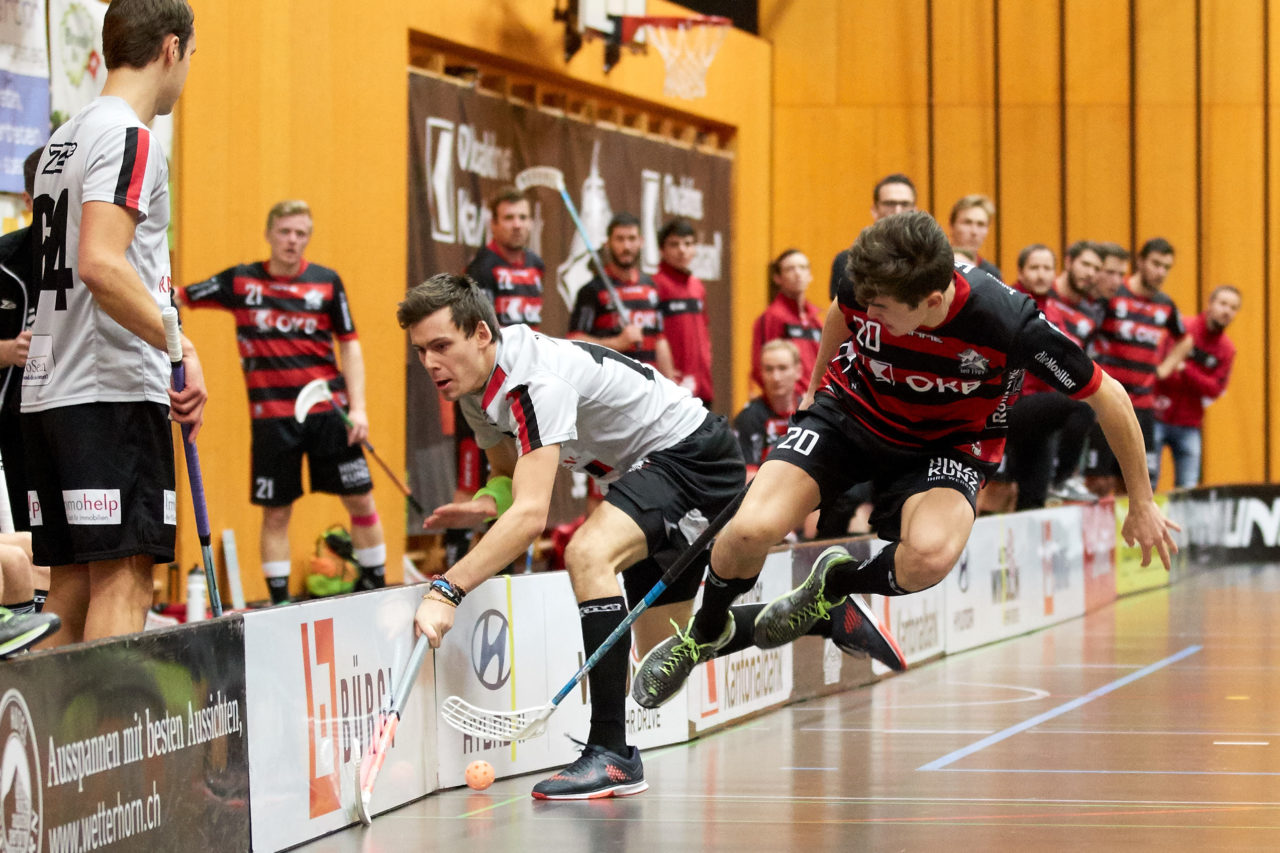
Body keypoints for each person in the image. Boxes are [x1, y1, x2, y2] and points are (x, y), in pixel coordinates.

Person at [631, 211, 1179, 709]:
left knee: (930, 557)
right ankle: (703, 635)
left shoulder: (1008, 322)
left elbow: (1110, 397)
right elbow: (839, 315)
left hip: (951, 443)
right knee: (748, 529)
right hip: (851, 413)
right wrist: (816, 385)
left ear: (933, 303)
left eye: (883, 310)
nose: (868, 312)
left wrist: (1143, 500)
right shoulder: (865, 279)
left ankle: (835, 587)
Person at [400, 273, 744, 799]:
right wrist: (484, 503)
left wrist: (446, 588)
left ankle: (611, 755)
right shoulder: (473, 391)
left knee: (588, 552)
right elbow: (509, 482)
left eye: (441, 345)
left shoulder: (532, 380)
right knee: (664, 654)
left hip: (690, 455)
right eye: (421, 351)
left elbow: (532, 516)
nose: (430, 363)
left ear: (481, 335)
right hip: (646, 474)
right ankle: (816, 610)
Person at [22, 0, 206, 644]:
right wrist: (179, 345)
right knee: (125, 582)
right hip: (110, 392)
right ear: (171, 49)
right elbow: (100, 265)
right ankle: (107, 741)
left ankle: (33, 747)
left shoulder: (60, 143)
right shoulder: (131, 135)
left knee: (67, 587)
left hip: (50, 393)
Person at [181, 200, 386, 603]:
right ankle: (279, 602)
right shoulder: (240, 281)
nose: (293, 241)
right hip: (272, 418)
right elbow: (176, 298)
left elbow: (350, 346)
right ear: (269, 233)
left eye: (301, 234)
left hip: (329, 411)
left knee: (360, 495)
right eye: (285, 232)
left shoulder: (328, 282)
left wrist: (358, 408)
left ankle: (374, 585)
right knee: (276, 511)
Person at [445, 188, 546, 567]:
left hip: (526, 385)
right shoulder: (482, 268)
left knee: (521, 476)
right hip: (484, 386)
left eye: (523, 217)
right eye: (509, 218)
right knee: (472, 477)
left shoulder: (536, 264)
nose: (517, 225)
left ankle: (508, 562)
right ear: (494, 224)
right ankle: (455, 559)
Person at [1085, 237, 1191, 497]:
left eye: (1167, 267)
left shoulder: (1165, 304)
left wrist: (1164, 369)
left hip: (1143, 406)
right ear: (1141, 262)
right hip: (1108, 400)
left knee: (1138, 484)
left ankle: (1127, 538)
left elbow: (1185, 339)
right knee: (1099, 482)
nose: (1161, 272)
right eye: (1156, 263)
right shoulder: (1113, 294)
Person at [1002, 244, 1098, 508]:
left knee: (1033, 498)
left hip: (1040, 411)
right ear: (1020, 272)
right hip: (1009, 405)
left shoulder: (1054, 311)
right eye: (1034, 268)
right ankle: (1066, 477)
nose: (1041, 275)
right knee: (1082, 405)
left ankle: (1060, 481)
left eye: (1047, 268)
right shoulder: (1007, 301)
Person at [1153, 285, 1241, 488]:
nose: (1227, 311)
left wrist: (1185, 368)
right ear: (1210, 304)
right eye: (1223, 304)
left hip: (1190, 424)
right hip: (1157, 415)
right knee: (1148, 482)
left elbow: (1215, 389)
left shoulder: (1227, 349)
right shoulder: (1182, 328)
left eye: (1233, 307)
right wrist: (1191, 374)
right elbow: (1162, 368)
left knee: (1189, 487)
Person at [568, 212, 674, 378]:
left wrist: (671, 385)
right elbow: (574, 341)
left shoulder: (650, 287)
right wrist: (617, 343)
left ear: (641, 242)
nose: (626, 246)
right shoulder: (592, 290)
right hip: (611, 388)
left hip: (649, 388)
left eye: (632, 238)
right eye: (620, 239)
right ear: (608, 243)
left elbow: (659, 339)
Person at [830, 173, 917, 300]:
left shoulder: (929, 261)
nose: (898, 211)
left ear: (915, 210)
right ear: (874, 210)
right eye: (889, 204)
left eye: (905, 204)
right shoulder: (846, 261)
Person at [654, 217, 713, 406]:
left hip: (702, 385)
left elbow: (704, 333)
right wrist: (667, 373)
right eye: (674, 244)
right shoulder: (655, 285)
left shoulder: (697, 286)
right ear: (662, 250)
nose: (682, 250)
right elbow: (654, 337)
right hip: (673, 386)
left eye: (688, 244)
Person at [752, 249, 822, 395]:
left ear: (810, 275)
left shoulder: (815, 320)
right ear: (777, 278)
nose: (798, 273)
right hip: (791, 404)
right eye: (790, 269)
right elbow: (761, 369)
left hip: (818, 400)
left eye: (803, 268)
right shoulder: (772, 317)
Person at [948, 194, 1002, 281]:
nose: (974, 232)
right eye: (967, 222)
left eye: (981, 224)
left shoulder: (992, 274)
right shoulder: (937, 264)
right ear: (952, 225)